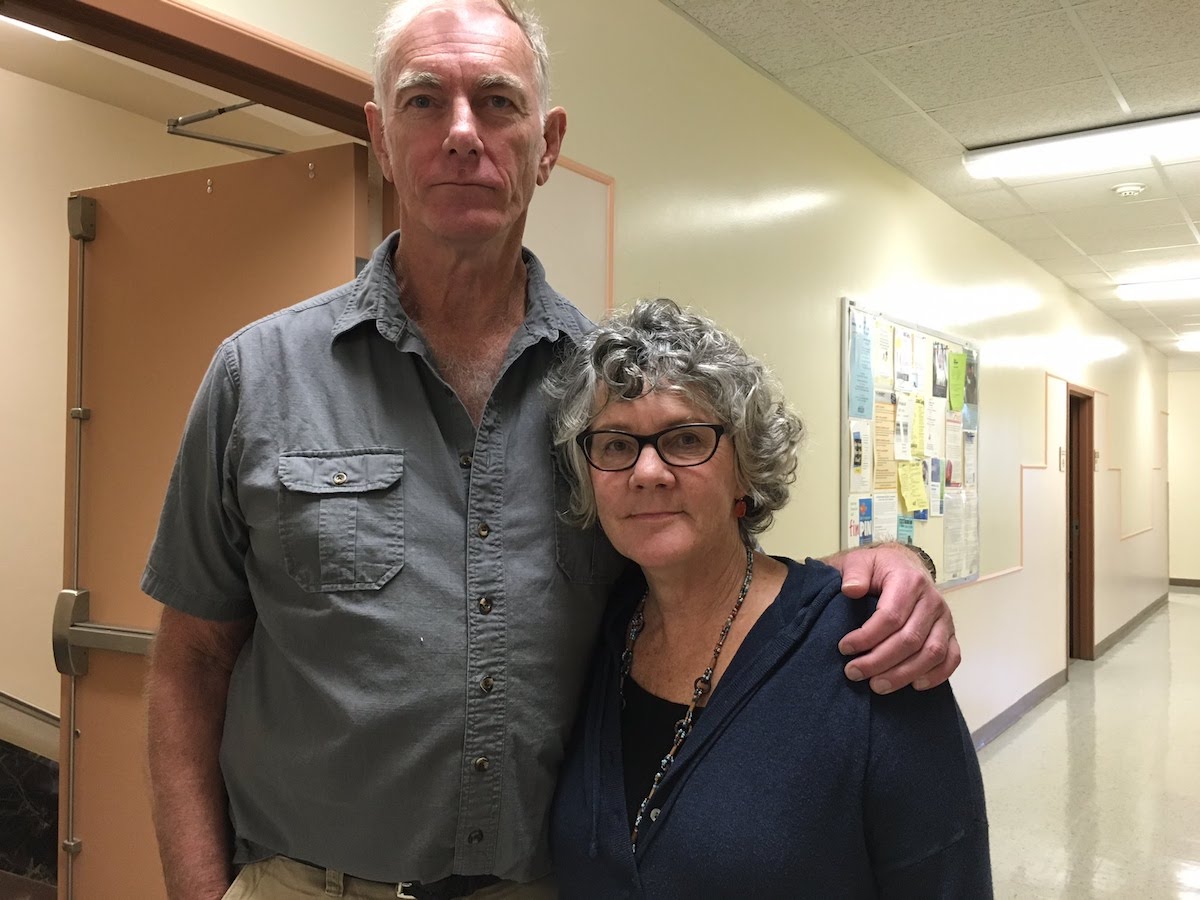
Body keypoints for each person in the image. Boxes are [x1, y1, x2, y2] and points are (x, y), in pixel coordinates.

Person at [142, 2, 961, 898]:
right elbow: (191, 659)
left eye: (498, 101)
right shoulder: (257, 377)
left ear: (548, 142)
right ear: (380, 136)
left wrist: (885, 563)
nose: (463, 133)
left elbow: (704, 561)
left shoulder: (607, 397)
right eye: (424, 102)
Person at [546, 299, 991, 898]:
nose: (647, 471)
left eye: (684, 439)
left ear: (747, 468)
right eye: (616, 445)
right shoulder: (604, 625)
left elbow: (946, 880)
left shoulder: (871, 647)